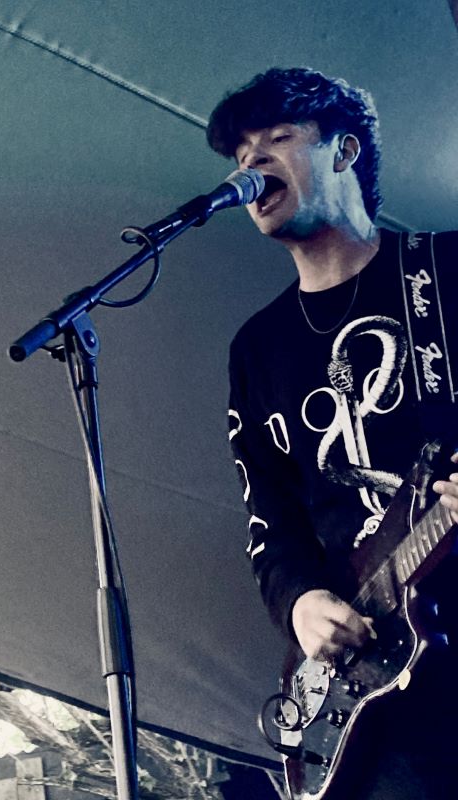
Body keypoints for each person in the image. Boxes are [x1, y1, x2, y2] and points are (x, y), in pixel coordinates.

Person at [207, 68, 458, 798]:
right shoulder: (257, 350)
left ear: (345, 152)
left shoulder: (445, 270)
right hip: (379, 692)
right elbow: (271, 520)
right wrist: (300, 604)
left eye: (277, 139)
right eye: (241, 153)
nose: (252, 163)